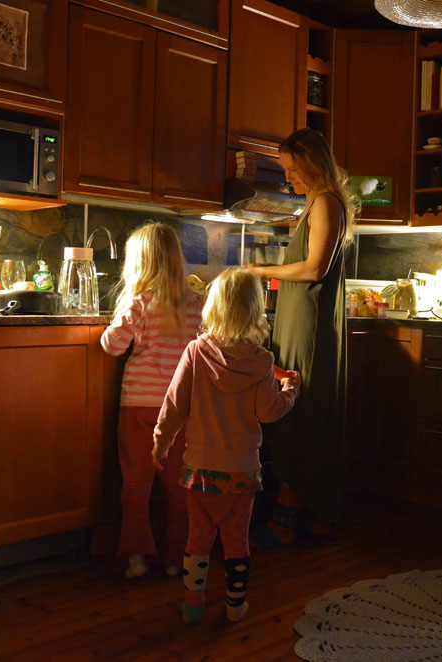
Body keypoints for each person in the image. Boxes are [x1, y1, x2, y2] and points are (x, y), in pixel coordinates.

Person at [152, 267, 300, 624]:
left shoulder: (196, 352)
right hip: (241, 472)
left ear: (212, 308)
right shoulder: (262, 361)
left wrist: (161, 442)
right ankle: (235, 606)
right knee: (237, 541)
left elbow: (174, 404)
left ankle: (193, 603)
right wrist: (291, 389)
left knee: (198, 539)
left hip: (200, 469)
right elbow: (269, 412)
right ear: (256, 311)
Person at [244, 128, 358, 547]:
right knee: (297, 407)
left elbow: (314, 269)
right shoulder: (312, 205)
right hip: (298, 318)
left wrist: (259, 272)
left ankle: (284, 521)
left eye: (292, 169)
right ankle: (314, 514)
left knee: (304, 412)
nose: (288, 177)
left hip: (309, 324)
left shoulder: (326, 202)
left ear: (312, 163)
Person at [101, 223, 203, 579]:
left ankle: (137, 557)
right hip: (181, 409)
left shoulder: (139, 303)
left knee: (136, 484)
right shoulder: (196, 304)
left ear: (138, 263)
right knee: (179, 487)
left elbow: (112, 346)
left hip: (140, 406)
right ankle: (177, 558)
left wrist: (119, 320)